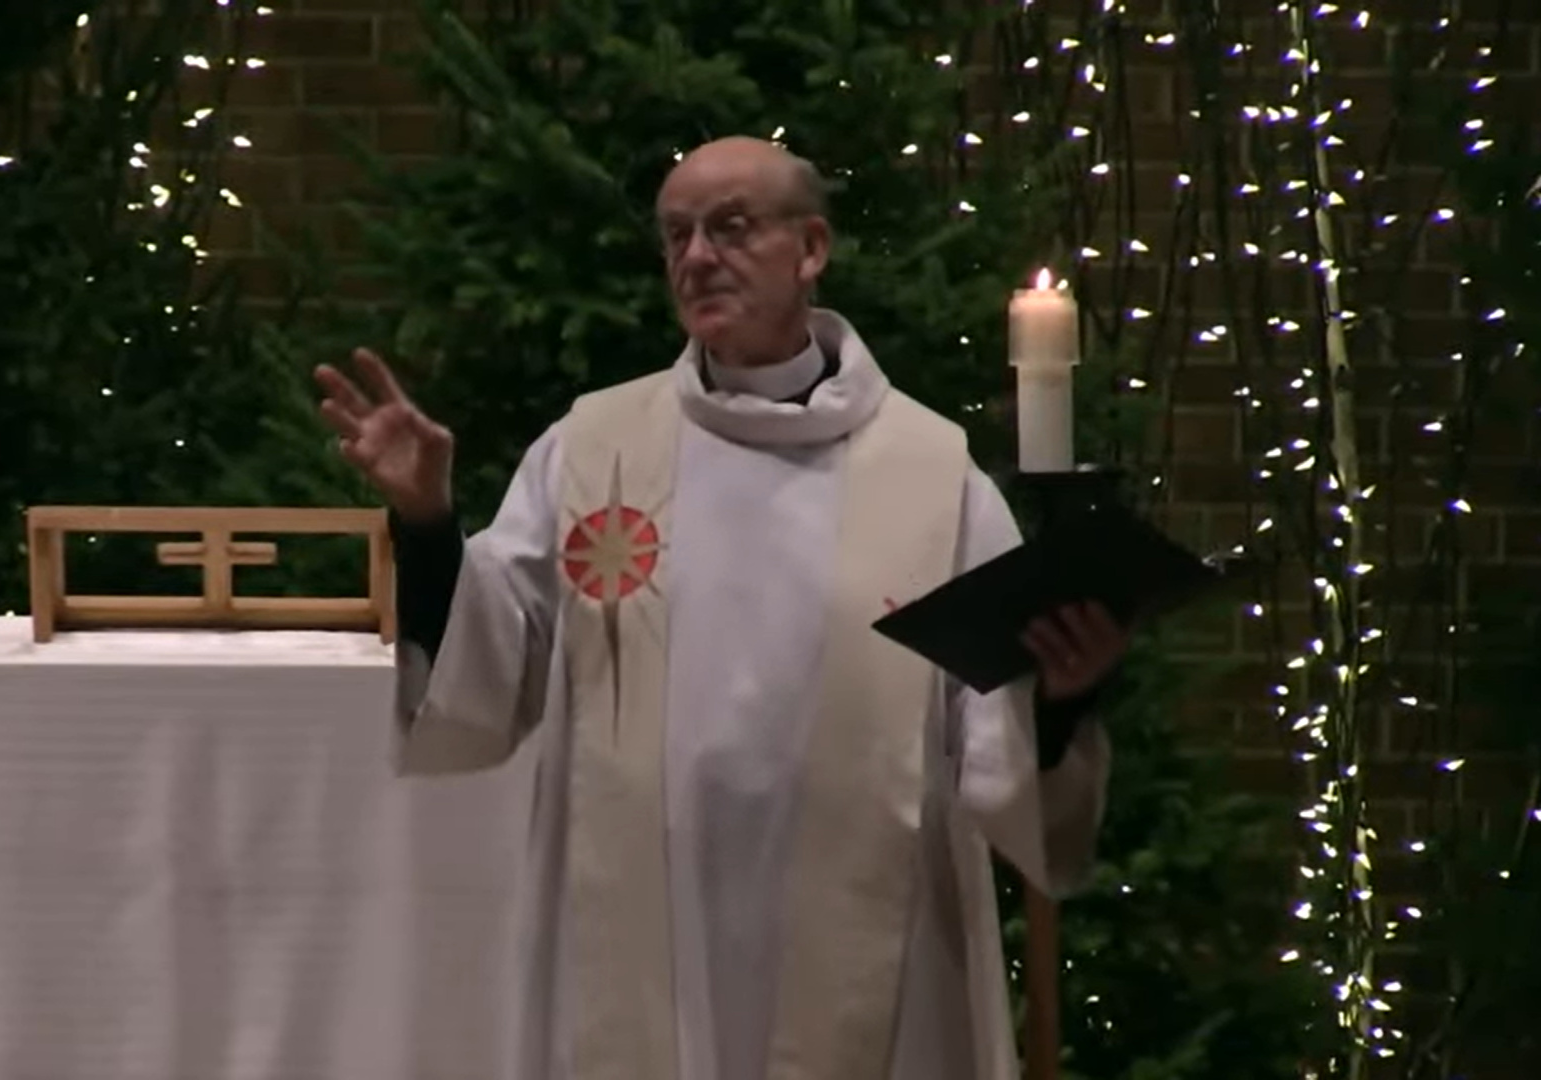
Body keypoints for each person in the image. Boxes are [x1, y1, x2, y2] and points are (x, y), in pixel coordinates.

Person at [313, 136, 1130, 1080]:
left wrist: (1062, 701)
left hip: (871, 931)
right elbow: (489, 664)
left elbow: (998, 744)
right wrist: (425, 520)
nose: (697, 257)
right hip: (646, 926)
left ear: (811, 249)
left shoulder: (933, 475)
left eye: (731, 228)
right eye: (675, 236)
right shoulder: (595, 448)